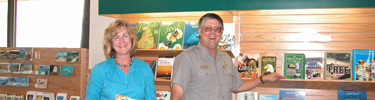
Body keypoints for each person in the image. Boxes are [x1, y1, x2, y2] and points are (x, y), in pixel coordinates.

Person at [171, 13, 286, 100]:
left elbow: (237, 86)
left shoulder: (225, 57)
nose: (213, 32)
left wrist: (264, 78)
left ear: (221, 33)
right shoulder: (187, 57)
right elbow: (176, 95)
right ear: (200, 31)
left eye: (217, 29)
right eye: (208, 28)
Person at [85, 19, 156, 100]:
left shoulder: (145, 68)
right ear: (111, 44)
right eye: (116, 38)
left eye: (125, 36)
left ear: (132, 40)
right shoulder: (99, 70)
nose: (121, 41)